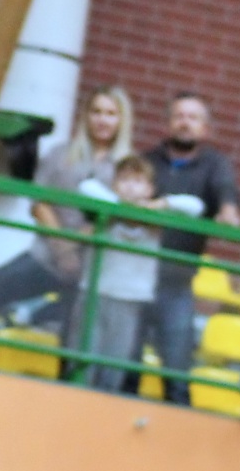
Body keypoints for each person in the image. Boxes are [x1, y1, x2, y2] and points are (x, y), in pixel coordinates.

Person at [0, 87, 134, 364]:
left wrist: (75, 246)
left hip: (92, 269)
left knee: (73, 338)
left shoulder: (128, 168)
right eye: (96, 112)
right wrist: (62, 246)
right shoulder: (60, 154)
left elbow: (116, 217)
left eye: (111, 114)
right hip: (46, 257)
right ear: (86, 116)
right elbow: (39, 202)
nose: (103, 120)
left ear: (122, 120)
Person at [141, 93, 240, 404]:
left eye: (193, 117)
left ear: (205, 128)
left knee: (177, 376)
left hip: (177, 282)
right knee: (123, 368)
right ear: (168, 123)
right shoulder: (147, 161)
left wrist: (228, 209)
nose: (185, 123)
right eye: (179, 116)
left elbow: (226, 192)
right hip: (137, 278)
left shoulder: (215, 165)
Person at [71, 157, 203, 392]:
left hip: (130, 300)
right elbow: (85, 187)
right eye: (124, 180)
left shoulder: (157, 217)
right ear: (114, 184)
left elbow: (195, 206)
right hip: (94, 293)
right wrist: (120, 206)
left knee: (114, 367)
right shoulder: (105, 207)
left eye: (138, 181)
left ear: (150, 189)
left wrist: (158, 205)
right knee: (81, 361)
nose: (131, 186)